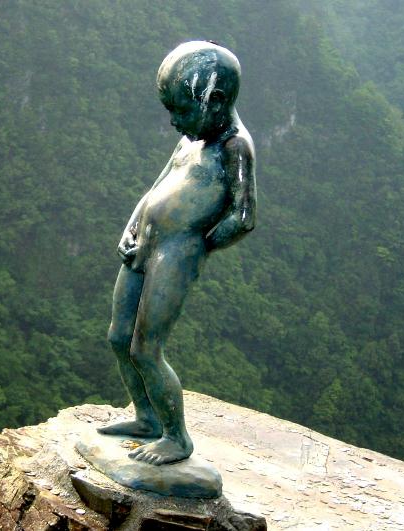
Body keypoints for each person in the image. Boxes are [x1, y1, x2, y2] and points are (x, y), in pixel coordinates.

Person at [98, 41, 256, 465]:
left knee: (145, 348)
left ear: (215, 100)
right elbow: (155, 188)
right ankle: (146, 417)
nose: (174, 121)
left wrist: (198, 246)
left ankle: (176, 437)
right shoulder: (190, 140)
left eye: (182, 111)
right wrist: (131, 227)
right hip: (145, 244)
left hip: (177, 252)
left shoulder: (234, 147)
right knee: (118, 337)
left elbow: (243, 216)